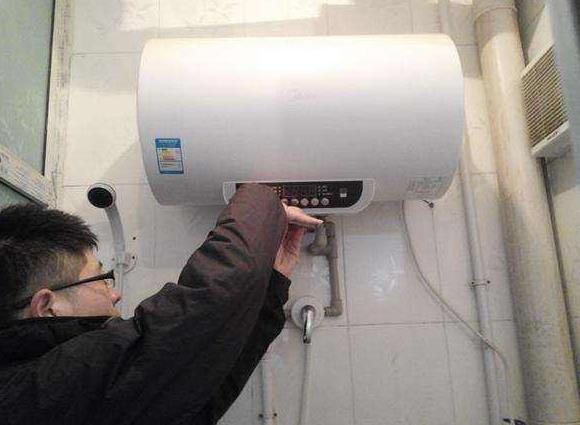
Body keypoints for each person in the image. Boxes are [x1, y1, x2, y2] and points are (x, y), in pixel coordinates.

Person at [0, 184, 322, 425]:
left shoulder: (36, 388)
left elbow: (193, 401)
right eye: (102, 278)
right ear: (48, 305)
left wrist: (272, 284)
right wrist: (261, 197)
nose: (115, 294)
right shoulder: (41, 391)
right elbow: (210, 301)